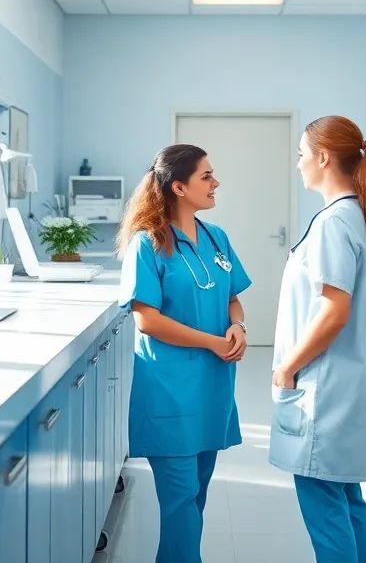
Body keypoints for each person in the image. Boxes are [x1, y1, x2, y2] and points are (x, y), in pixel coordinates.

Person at [116, 144, 251, 563]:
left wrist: (237, 326)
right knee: (180, 503)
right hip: (169, 391)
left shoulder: (217, 237)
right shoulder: (147, 244)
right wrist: (214, 342)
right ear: (178, 187)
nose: (216, 183)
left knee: (195, 500)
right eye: (206, 176)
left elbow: (233, 298)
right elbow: (147, 320)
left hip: (211, 388)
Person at [269, 116, 366, 563]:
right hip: (353, 382)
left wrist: (286, 367)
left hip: (328, 387)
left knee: (323, 500)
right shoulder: (357, 216)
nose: (299, 163)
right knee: (347, 499)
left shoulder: (334, 223)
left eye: (302, 154)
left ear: (323, 158)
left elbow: (334, 311)